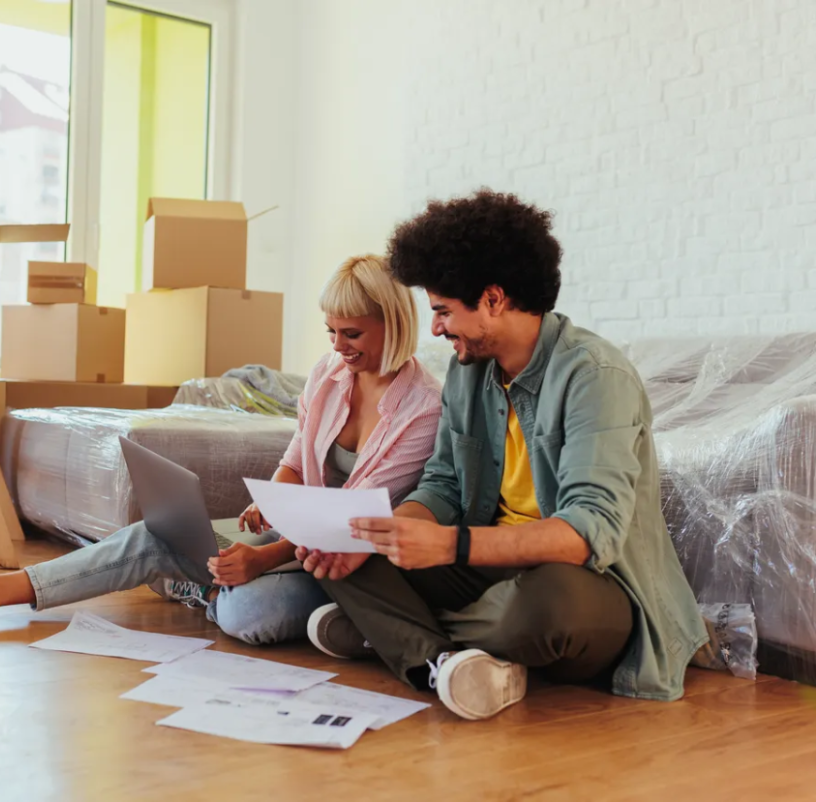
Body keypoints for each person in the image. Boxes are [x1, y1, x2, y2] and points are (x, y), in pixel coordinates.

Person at [301, 190, 706, 721]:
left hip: (587, 583)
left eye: (443, 310)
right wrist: (386, 535)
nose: (437, 328)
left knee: (547, 611)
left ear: (492, 300)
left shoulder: (594, 377)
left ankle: (396, 635)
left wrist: (449, 545)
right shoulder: (468, 374)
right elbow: (443, 484)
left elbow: (588, 533)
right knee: (340, 552)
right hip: (488, 570)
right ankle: (443, 663)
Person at [0, 254, 443, 646]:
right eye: (331, 332)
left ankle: (202, 590)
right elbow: (294, 458)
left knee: (250, 613)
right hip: (298, 538)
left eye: (352, 335)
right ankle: (4, 590)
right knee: (152, 535)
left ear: (393, 323)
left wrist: (263, 557)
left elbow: (346, 521)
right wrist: (270, 502)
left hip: (351, 563)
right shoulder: (329, 373)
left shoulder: (422, 408)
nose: (337, 347)